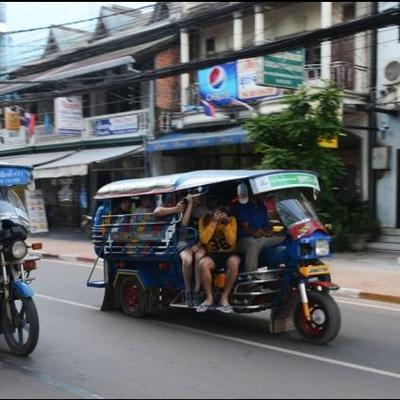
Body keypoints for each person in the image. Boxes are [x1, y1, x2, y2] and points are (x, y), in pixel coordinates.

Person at [196, 205, 240, 314]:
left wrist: (225, 224)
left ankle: (224, 298)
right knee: (203, 264)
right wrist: (214, 222)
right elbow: (204, 239)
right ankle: (209, 298)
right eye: (216, 211)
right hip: (213, 254)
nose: (219, 213)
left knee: (234, 263)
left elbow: (231, 241)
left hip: (229, 253)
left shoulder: (231, 220)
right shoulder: (204, 220)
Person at [235, 193, 285, 273]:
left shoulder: (262, 206)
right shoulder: (242, 205)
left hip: (261, 238)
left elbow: (265, 226)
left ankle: (289, 271)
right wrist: (254, 232)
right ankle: (251, 279)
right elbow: (245, 227)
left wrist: (270, 229)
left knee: (285, 237)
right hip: (244, 240)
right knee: (252, 244)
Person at [178, 194, 209, 307]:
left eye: (201, 195)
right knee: (187, 260)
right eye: (196, 195)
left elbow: (207, 232)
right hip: (184, 242)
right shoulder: (184, 207)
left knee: (199, 257)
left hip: (200, 242)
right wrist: (190, 204)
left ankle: (196, 291)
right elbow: (184, 225)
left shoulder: (205, 211)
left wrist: (199, 244)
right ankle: (188, 291)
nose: (199, 197)